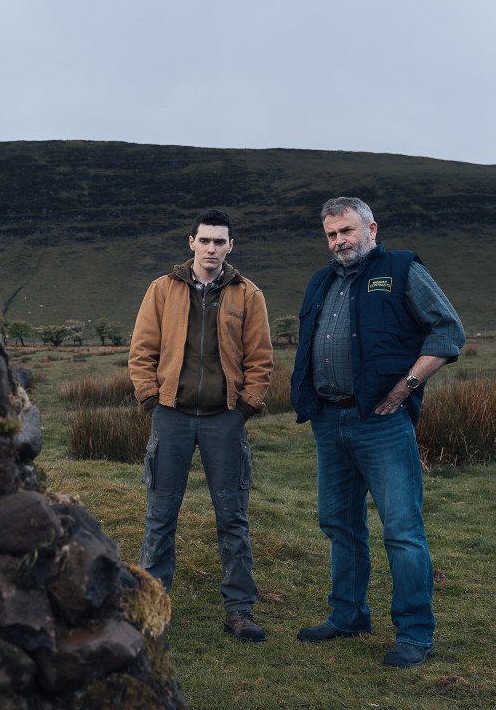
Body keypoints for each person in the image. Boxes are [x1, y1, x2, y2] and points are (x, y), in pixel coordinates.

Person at [291, 196, 465, 668]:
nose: (340, 241)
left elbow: (448, 331)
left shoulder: (402, 269)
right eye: (331, 234)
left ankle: (415, 634)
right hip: (331, 420)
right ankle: (348, 616)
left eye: (347, 230)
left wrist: (406, 386)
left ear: (371, 227)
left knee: (402, 530)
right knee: (338, 523)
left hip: (382, 422)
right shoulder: (320, 281)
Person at [129, 208, 273, 642]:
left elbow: (261, 359)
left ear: (231, 246)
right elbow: (141, 351)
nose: (211, 249)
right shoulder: (162, 290)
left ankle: (240, 612)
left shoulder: (249, 295)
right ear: (190, 242)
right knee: (160, 517)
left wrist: (243, 409)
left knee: (232, 518)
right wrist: (152, 401)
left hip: (223, 421)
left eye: (220, 242)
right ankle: (152, 614)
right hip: (171, 415)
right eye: (204, 240)